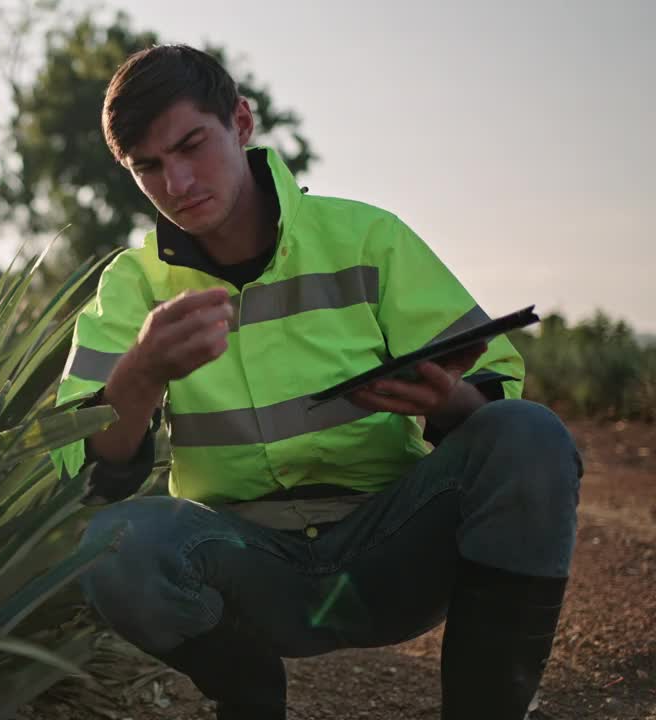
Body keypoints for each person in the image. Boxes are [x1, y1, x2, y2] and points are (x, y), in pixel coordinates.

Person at [51, 44, 582, 720]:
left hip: (394, 554)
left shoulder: (366, 238)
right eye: (147, 167)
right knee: (114, 543)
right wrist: (141, 372)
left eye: (191, 146)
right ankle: (249, 699)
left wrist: (451, 403)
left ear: (241, 123)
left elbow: (494, 380)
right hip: (247, 570)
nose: (177, 183)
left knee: (529, 433)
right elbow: (84, 476)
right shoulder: (131, 288)